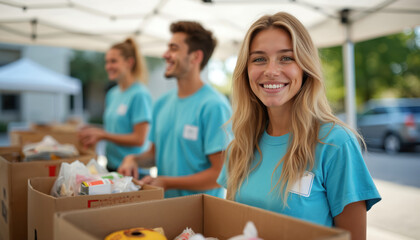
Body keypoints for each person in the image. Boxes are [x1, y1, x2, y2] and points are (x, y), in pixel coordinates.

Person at [216, 12, 381, 239]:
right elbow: (233, 227)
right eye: (259, 59)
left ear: (305, 68)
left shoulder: (335, 143)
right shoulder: (240, 144)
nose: (271, 70)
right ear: (245, 71)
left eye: (286, 58)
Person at [118, 21, 232, 198]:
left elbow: (219, 174)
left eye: (173, 48)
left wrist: (168, 182)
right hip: (166, 208)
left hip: (201, 214)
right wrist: (133, 159)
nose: (165, 55)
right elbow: (155, 155)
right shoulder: (162, 102)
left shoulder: (214, 106)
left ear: (195, 57)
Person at [78, 38, 152, 173]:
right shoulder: (112, 93)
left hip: (132, 170)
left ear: (129, 62)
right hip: (112, 165)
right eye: (107, 62)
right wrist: (94, 130)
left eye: (113, 61)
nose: (108, 66)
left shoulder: (139, 94)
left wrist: (103, 135)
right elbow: (115, 129)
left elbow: (139, 139)